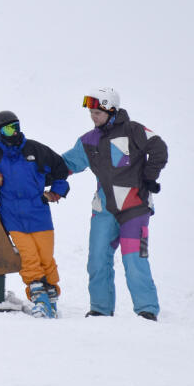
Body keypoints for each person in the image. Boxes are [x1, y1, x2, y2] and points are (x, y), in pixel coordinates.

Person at [62, 87, 167, 321]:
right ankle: (100, 308)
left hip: (134, 207)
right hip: (104, 209)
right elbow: (65, 164)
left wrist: (150, 176)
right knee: (97, 259)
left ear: (111, 110)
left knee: (134, 259)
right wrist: (37, 166)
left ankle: (146, 309)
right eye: (91, 112)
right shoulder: (88, 141)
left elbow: (159, 148)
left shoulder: (134, 130)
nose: (93, 116)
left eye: (97, 112)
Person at [0, 111, 70, 318]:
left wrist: (56, 192)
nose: (14, 132)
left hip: (39, 212)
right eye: (8, 129)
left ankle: (51, 296)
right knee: (28, 257)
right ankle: (38, 296)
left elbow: (60, 168)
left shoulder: (34, 149)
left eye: (16, 126)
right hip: (12, 214)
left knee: (46, 257)